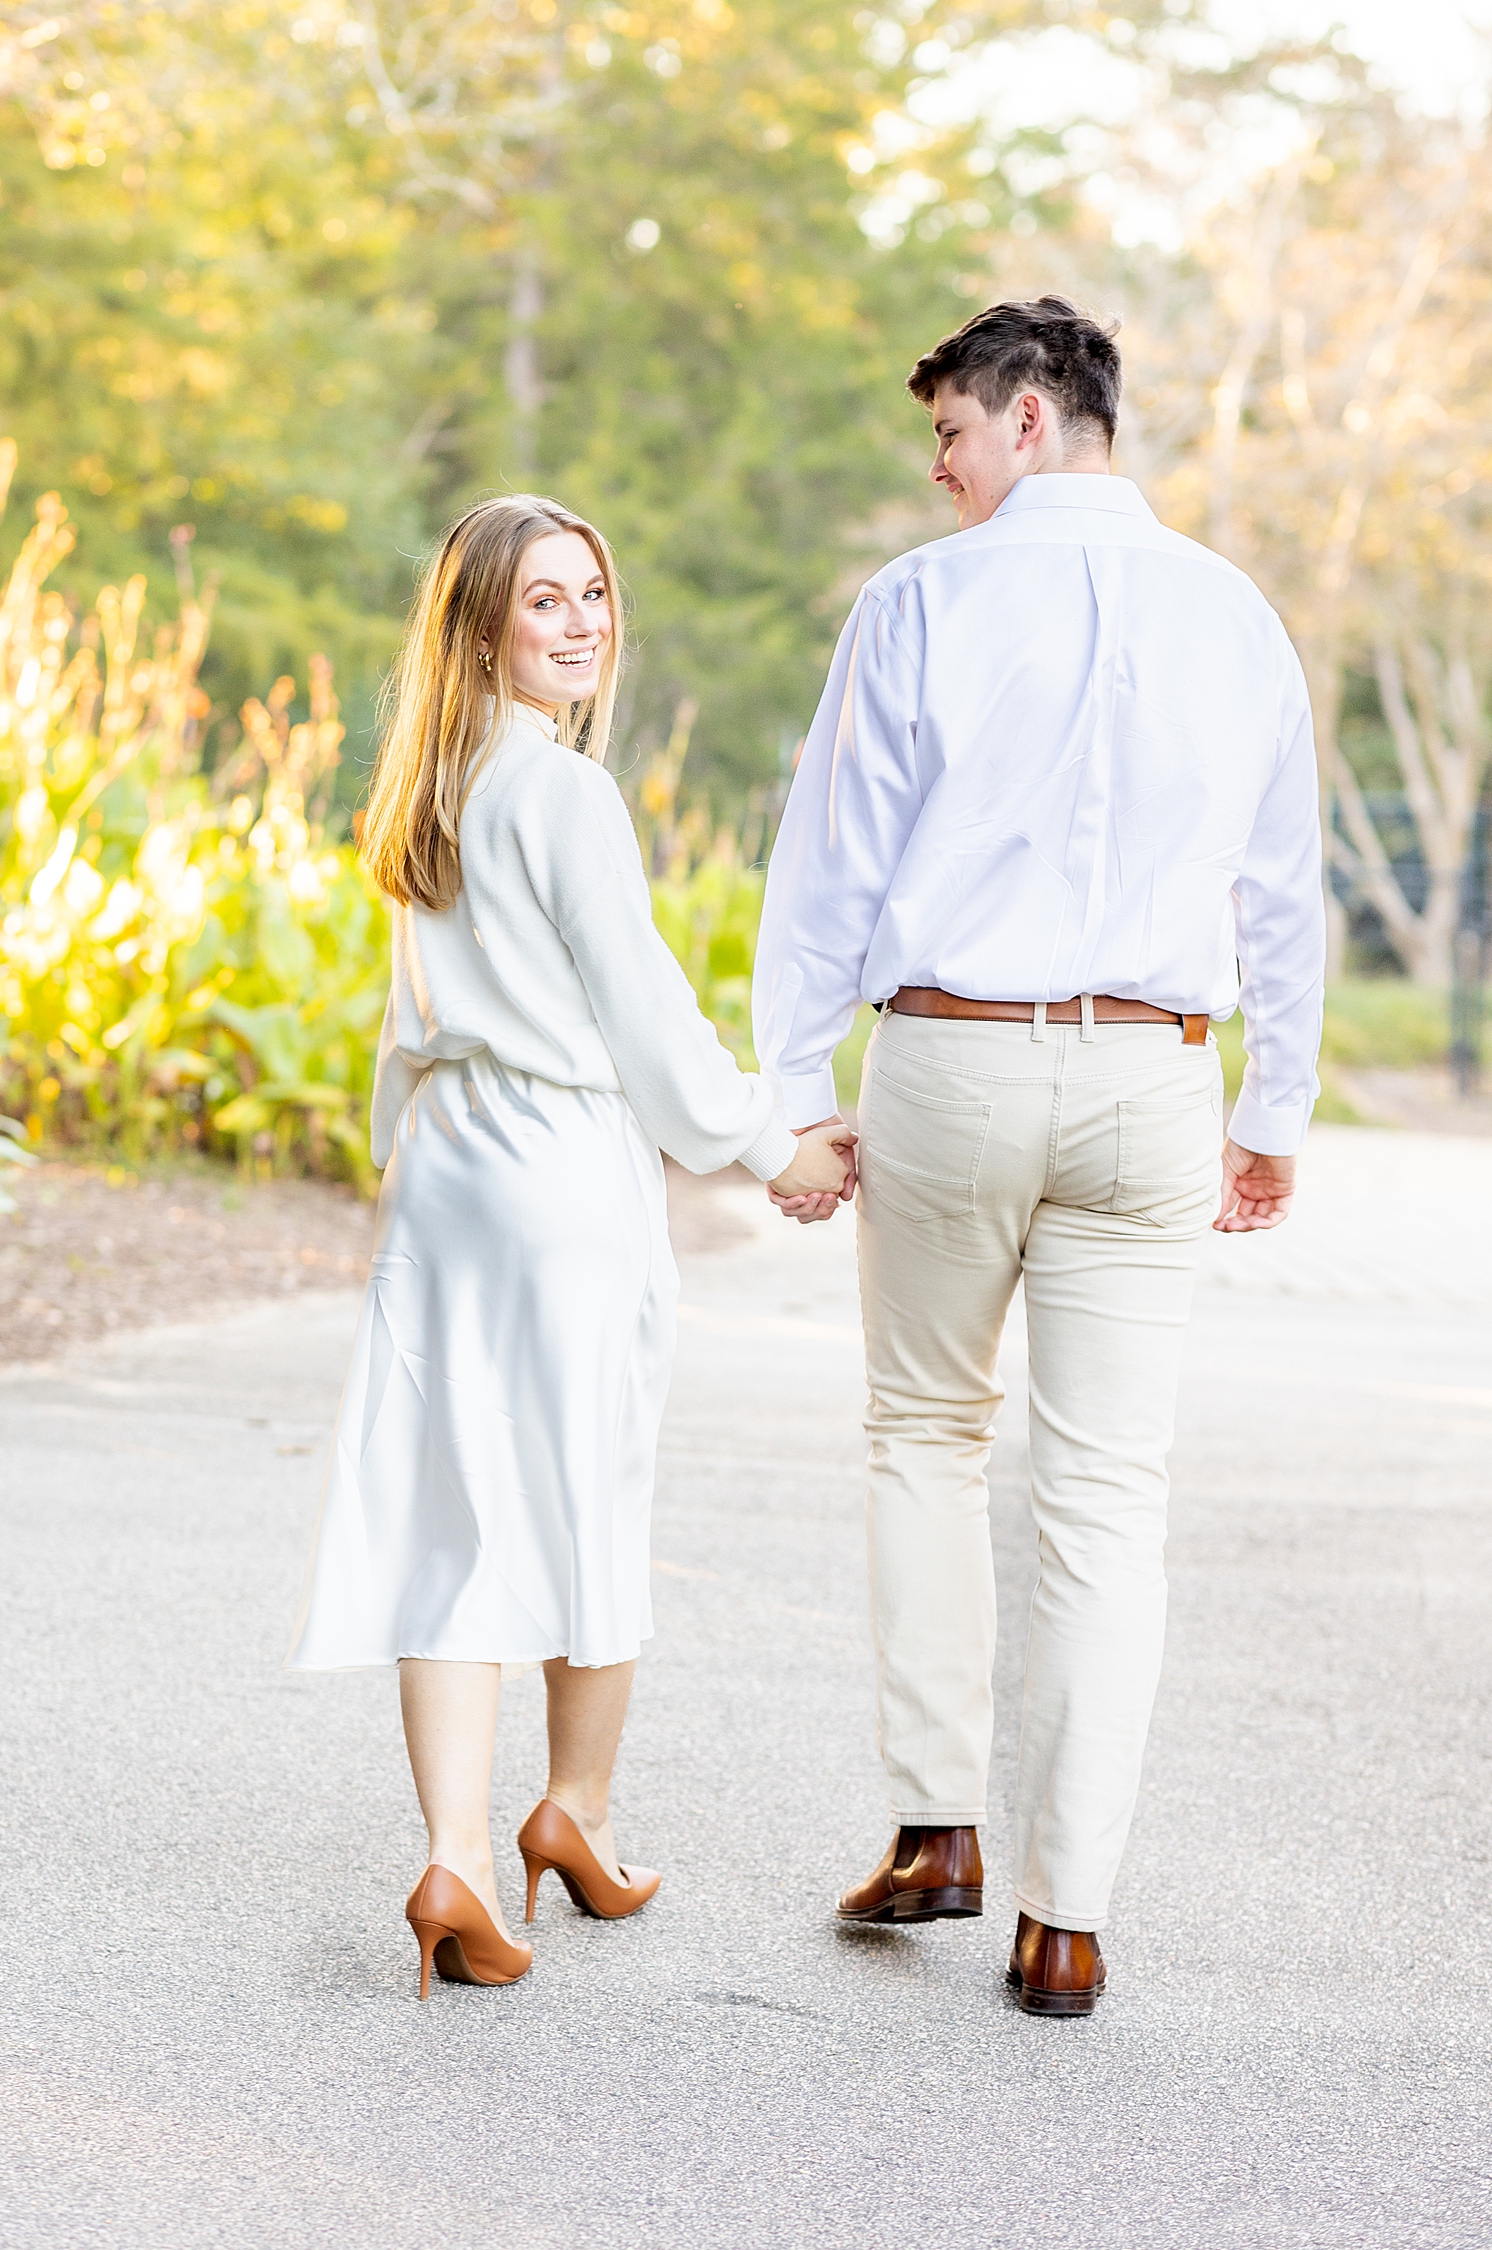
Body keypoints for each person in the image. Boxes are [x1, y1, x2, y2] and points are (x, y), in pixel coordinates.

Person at [753, 296, 1325, 2015]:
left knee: (925, 1430)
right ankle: (1066, 1917)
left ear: (1024, 414)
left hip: (952, 1058)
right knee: (1106, 1497)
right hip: (1156, 1078)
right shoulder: (1237, 616)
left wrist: (790, 1078)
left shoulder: (924, 600)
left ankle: (938, 1829)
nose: (939, 473)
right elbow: (1284, 884)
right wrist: (1272, 1107)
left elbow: (832, 856)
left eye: (947, 436)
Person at [288, 494, 852, 1998]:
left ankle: (461, 1858)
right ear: (481, 626)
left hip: (447, 1174)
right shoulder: (564, 793)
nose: (583, 621)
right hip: (554, 1172)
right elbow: (647, 1019)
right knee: (588, 1487)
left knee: (450, 1509)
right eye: (545, 600)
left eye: (594, 591)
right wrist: (775, 1144)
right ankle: (577, 1808)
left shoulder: (429, 788)